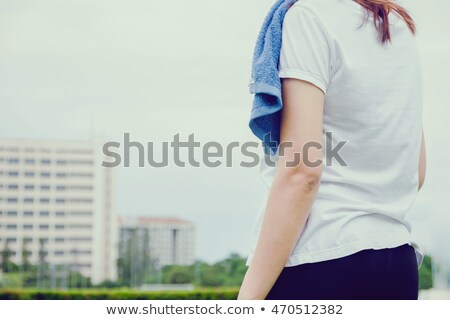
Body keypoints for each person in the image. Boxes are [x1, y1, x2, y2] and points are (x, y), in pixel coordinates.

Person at [238, 0, 426, 300]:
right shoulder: (396, 25)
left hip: (320, 258)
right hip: (397, 263)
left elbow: (302, 172)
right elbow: (416, 170)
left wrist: (246, 302)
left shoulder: (308, 17)